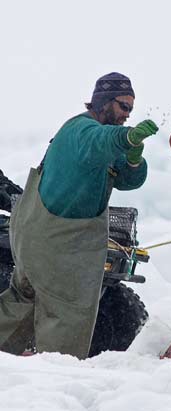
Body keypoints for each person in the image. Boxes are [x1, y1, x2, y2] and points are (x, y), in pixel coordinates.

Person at [0, 72, 158, 359]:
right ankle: (55, 379)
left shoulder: (104, 140)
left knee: (22, 303)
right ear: (104, 101)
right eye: (123, 106)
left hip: (36, 234)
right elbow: (102, 140)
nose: (127, 115)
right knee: (67, 312)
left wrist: (134, 160)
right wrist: (127, 136)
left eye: (130, 110)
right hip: (59, 242)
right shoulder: (82, 130)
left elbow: (126, 179)